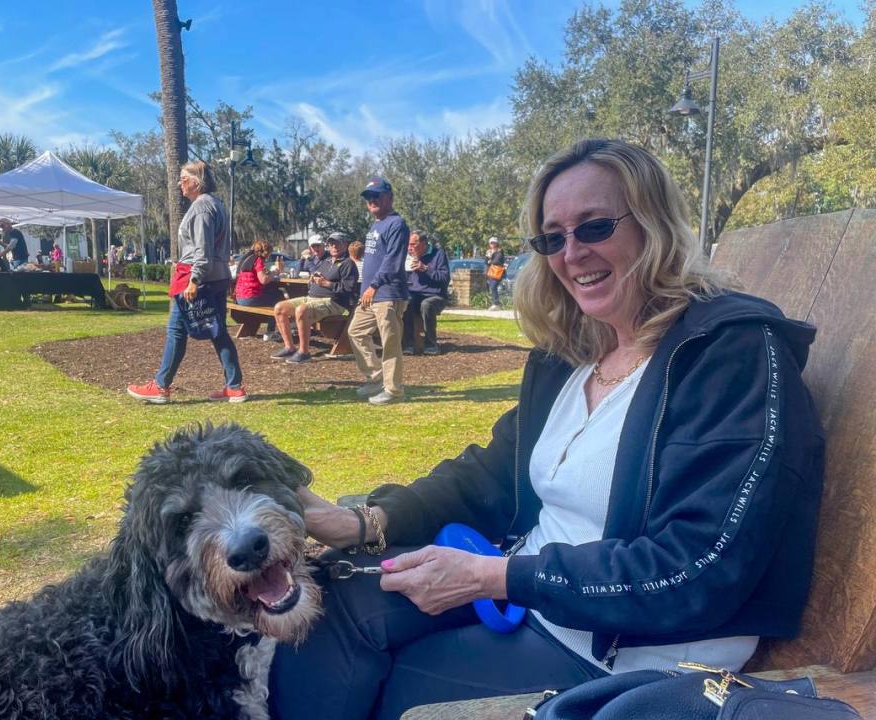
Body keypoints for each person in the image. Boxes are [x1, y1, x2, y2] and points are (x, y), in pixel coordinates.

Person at [269, 138, 825, 720]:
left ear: (655, 225)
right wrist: (364, 520)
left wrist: (499, 577)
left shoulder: (729, 355)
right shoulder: (574, 354)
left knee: (395, 694)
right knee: (324, 607)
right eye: (552, 238)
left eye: (595, 227)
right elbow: (491, 472)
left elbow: (697, 568)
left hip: (629, 653)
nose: (572, 254)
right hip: (528, 592)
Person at [127, 160, 247, 404]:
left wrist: (193, 280)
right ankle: (234, 387)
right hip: (217, 276)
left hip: (198, 278)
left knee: (176, 330)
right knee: (218, 331)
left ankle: (160, 386)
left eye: (183, 178)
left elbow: (201, 250)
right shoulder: (216, 205)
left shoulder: (202, 208)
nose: (179, 183)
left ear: (196, 181)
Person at [347, 177, 410, 405]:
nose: (371, 201)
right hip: (370, 294)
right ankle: (375, 378)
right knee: (355, 332)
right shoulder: (376, 224)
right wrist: (367, 289)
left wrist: (374, 286)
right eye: (368, 198)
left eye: (376, 196)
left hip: (388, 294)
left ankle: (394, 390)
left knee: (390, 343)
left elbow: (392, 261)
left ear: (389, 198)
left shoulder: (397, 224)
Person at [271, 232, 359, 363]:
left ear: (345, 244)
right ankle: (289, 347)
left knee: (302, 310)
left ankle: (304, 352)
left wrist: (327, 284)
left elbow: (348, 290)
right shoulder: (327, 261)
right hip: (311, 297)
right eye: (331, 243)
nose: (334, 246)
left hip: (334, 302)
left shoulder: (348, 264)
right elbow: (318, 274)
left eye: (337, 243)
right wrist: (315, 276)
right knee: (279, 308)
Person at [401, 231, 449, 356]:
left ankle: (431, 345)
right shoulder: (407, 256)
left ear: (423, 244)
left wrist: (426, 269)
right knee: (407, 302)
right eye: (408, 244)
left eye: (413, 244)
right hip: (415, 294)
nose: (409, 247)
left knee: (427, 305)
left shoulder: (438, 254)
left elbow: (444, 278)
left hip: (435, 295)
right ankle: (408, 344)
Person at [233, 239, 281, 337]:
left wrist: (268, 274)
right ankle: (270, 332)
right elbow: (263, 280)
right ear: (265, 251)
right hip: (249, 298)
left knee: (272, 294)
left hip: (239, 298)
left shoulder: (247, 258)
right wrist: (275, 272)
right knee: (277, 300)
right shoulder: (258, 260)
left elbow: (254, 275)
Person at [485, 236, 506, 310]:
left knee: (493, 286)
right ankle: (497, 303)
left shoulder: (500, 251)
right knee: (492, 287)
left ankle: (496, 303)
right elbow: (486, 262)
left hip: (498, 272)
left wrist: (491, 258)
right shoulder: (488, 252)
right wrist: (488, 258)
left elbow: (498, 261)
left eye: (494, 242)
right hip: (491, 272)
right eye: (491, 243)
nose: (492, 244)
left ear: (497, 243)